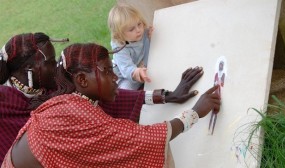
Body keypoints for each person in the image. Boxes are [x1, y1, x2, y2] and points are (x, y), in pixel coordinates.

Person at [2, 43, 220, 167]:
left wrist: (166, 95)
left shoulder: (70, 99)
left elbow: (121, 101)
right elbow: (142, 140)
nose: (116, 78)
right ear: (82, 80)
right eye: (107, 71)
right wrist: (195, 112)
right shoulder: (76, 111)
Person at [0, 32, 64, 163]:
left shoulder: (59, 87)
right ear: (29, 69)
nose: (57, 66)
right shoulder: (4, 106)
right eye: (50, 62)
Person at [108, 3, 153, 90]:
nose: (138, 30)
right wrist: (136, 72)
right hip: (124, 76)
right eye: (131, 29)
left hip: (141, 66)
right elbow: (126, 69)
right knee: (126, 91)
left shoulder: (143, 33)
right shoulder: (120, 48)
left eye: (139, 24)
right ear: (119, 34)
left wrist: (151, 37)